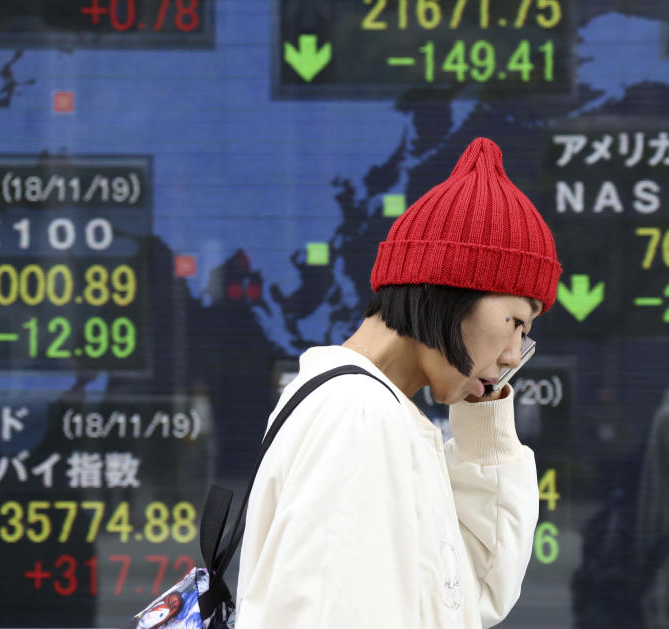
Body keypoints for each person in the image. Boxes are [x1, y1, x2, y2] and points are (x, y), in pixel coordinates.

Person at [235, 137, 563, 628]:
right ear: (453, 285)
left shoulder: (359, 403)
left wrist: (485, 426)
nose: (515, 354)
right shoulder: (360, 415)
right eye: (517, 321)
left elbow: (464, 598)